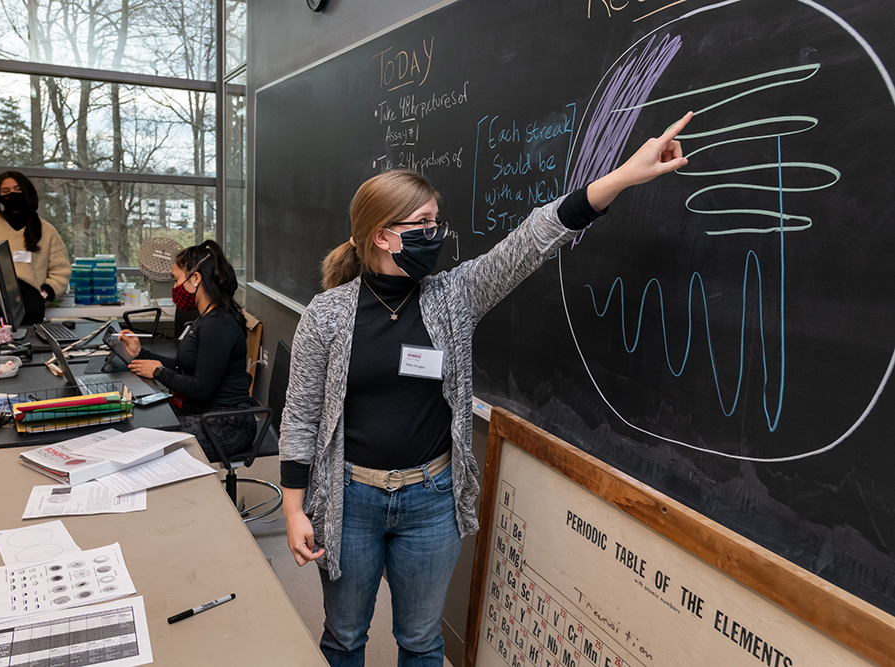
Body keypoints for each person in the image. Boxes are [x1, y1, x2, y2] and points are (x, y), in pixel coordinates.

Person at [279, 112, 694, 666]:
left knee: (422, 641)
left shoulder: (455, 296)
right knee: (346, 636)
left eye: (436, 220)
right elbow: (301, 416)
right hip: (349, 498)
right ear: (382, 235)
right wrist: (292, 508)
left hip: (431, 500)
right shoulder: (327, 316)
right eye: (422, 224)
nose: (437, 234)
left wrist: (620, 177)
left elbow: (532, 240)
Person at [118, 240, 255, 462]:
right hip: (207, 412)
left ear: (196, 279)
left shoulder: (219, 324)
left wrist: (159, 372)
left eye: (176, 280)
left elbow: (201, 388)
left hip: (227, 423)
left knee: (144, 441)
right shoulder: (207, 317)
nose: (174, 288)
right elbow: (185, 367)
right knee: (139, 421)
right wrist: (141, 354)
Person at [0, 171, 71, 325]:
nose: (12, 194)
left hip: (30, 304)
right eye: (6, 191)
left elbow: (60, 270)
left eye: (17, 189)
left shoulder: (46, 230)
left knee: (29, 346)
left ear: (27, 190)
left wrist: (45, 293)